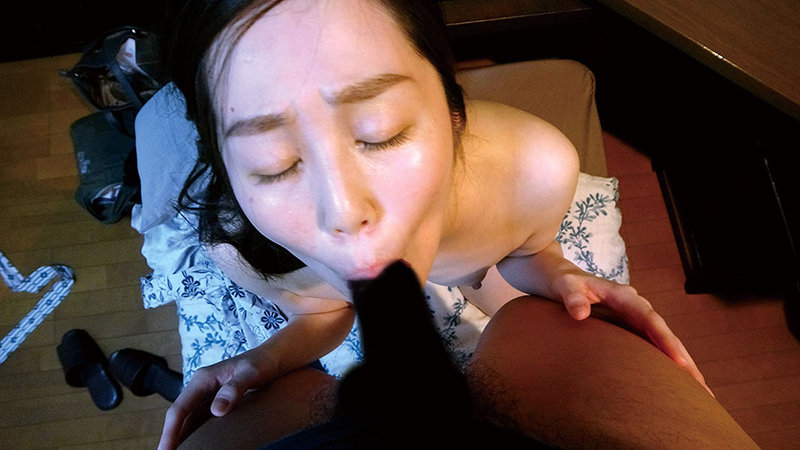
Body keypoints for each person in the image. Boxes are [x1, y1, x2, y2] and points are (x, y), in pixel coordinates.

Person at [153, 0, 717, 448]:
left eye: (382, 132)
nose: (343, 210)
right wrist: (268, 359)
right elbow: (321, 309)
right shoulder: (244, 236)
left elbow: (525, 250)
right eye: (274, 164)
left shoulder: (534, 173)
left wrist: (558, 272)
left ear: (452, 110)